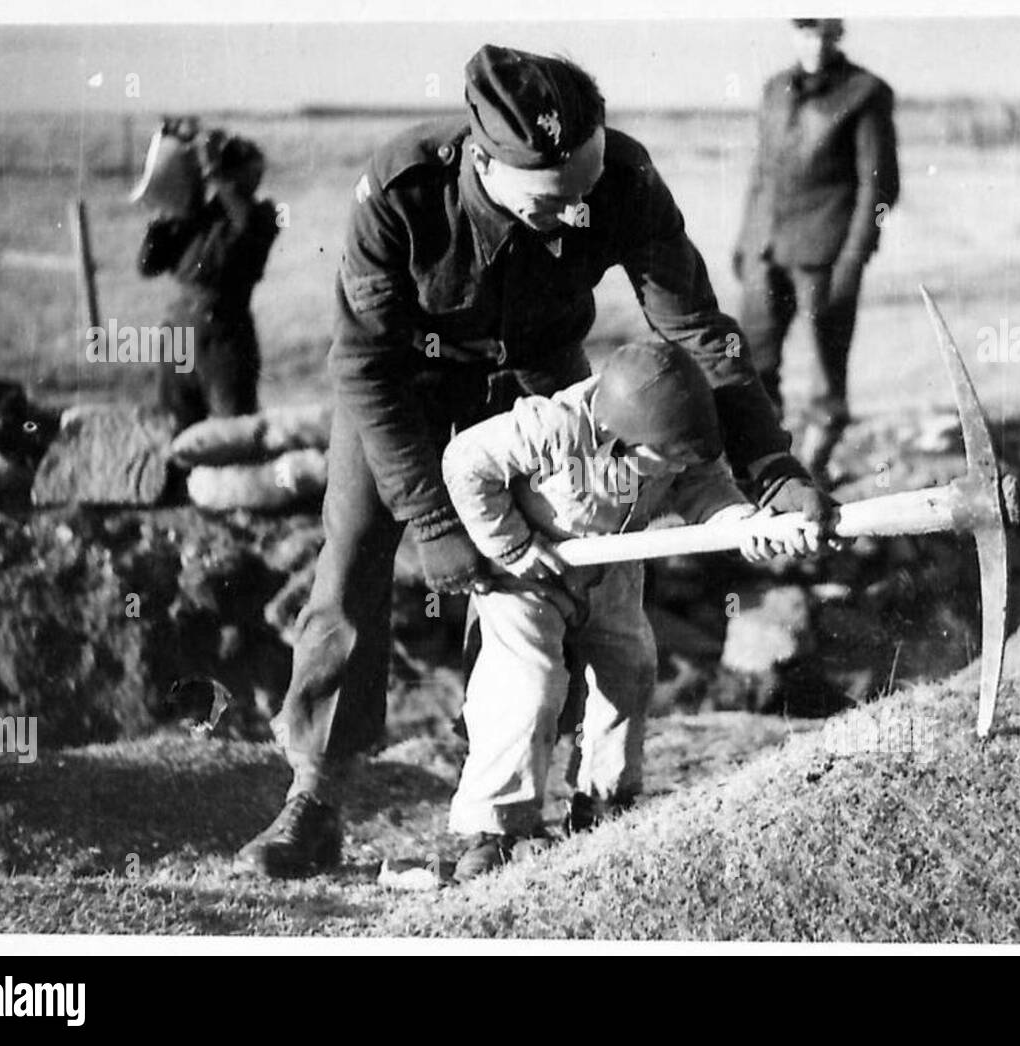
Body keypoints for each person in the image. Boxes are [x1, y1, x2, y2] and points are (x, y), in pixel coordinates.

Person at [237, 44, 829, 879]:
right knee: (354, 558)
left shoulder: (621, 180)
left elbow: (697, 332)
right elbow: (362, 366)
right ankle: (315, 798)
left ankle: (513, 803)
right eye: (550, 204)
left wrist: (771, 467)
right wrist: (435, 522)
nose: (573, 216)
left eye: (582, 195)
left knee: (547, 579)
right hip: (401, 387)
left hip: (538, 378)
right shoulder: (401, 190)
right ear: (485, 162)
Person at [441, 338, 820, 880]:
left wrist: (746, 526)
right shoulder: (552, 426)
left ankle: (602, 802)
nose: (680, 463)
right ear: (621, 440)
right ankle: (494, 828)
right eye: (670, 456)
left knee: (632, 669)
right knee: (528, 686)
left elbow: (706, 490)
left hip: (612, 568)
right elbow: (465, 462)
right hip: (526, 577)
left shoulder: (675, 438)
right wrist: (511, 545)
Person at [733, 18, 900, 480]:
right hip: (765, 252)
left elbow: (880, 188)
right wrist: (745, 241)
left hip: (825, 257)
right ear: (794, 34)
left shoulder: (865, 93)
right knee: (754, 364)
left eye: (825, 32)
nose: (816, 43)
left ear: (839, 34)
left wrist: (854, 258)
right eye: (806, 32)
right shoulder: (774, 89)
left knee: (827, 374)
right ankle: (768, 468)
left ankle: (817, 466)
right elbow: (760, 171)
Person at [134, 117, 281, 429]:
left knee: (234, 433)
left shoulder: (262, 216)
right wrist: (164, 214)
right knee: (174, 431)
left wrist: (214, 171)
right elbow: (147, 265)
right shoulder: (196, 215)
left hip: (224, 336)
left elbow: (243, 225)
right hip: (178, 333)